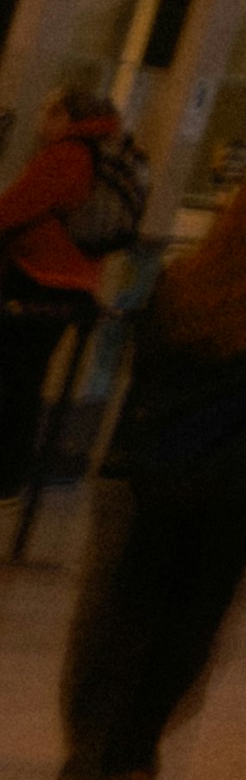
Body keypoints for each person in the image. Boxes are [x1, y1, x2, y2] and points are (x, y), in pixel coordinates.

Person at [51, 154, 246, 780]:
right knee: (195, 613)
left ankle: (92, 739)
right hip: (238, 491)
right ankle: (137, 744)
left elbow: (146, 366)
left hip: (158, 474)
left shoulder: (181, 284)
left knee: (126, 604)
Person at [0, 80, 141, 503]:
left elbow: (14, 209)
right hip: (75, 288)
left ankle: (6, 477)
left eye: (49, 113)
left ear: (65, 117)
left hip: (37, 280)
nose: (41, 122)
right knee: (23, 381)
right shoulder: (97, 153)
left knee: (13, 382)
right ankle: (10, 478)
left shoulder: (66, 155)